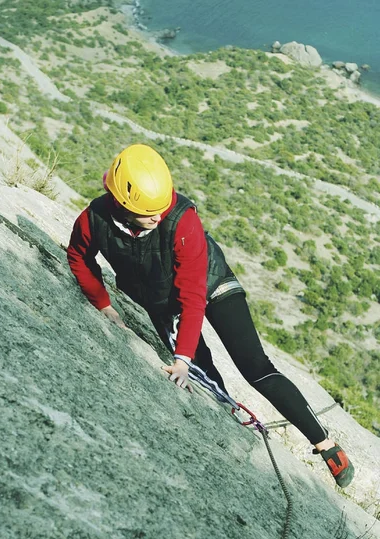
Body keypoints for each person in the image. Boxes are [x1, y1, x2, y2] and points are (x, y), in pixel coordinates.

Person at [67, 143, 355, 488]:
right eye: (148, 213)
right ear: (123, 204)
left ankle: (326, 444)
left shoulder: (181, 218)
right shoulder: (94, 219)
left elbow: (192, 294)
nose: (158, 217)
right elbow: (79, 257)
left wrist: (182, 356)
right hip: (159, 301)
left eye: (161, 208)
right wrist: (104, 304)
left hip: (211, 283)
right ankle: (228, 407)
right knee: (201, 372)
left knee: (256, 367)